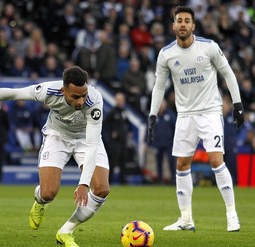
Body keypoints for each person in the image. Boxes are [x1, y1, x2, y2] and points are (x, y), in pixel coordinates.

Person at [0, 66, 110, 247]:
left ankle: (66, 231)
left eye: (83, 95)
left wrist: (83, 184)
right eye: (75, 97)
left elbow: (92, 145)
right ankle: (40, 200)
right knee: (49, 193)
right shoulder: (49, 91)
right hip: (57, 136)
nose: (80, 101)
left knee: (102, 189)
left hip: (85, 140)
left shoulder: (95, 101)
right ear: (64, 90)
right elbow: (17, 94)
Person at [148, 6, 244, 232]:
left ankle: (232, 214)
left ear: (193, 25)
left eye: (186, 20)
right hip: (185, 115)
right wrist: (152, 115)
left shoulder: (209, 47)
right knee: (181, 164)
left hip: (210, 111)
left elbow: (228, 73)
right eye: (179, 20)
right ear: (173, 26)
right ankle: (186, 219)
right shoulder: (166, 54)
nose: (182, 24)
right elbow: (159, 86)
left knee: (215, 161)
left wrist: (238, 104)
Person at [103, 92, 132, 184]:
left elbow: (128, 124)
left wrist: (129, 132)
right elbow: (104, 125)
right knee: (112, 162)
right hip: (114, 142)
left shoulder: (124, 112)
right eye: (119, 100)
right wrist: (111, 134)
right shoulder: (112, 112)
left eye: (122, 100)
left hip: (123, 141)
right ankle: (109, 181)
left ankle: (123, 181)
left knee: (123, 161)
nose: (120, 102)